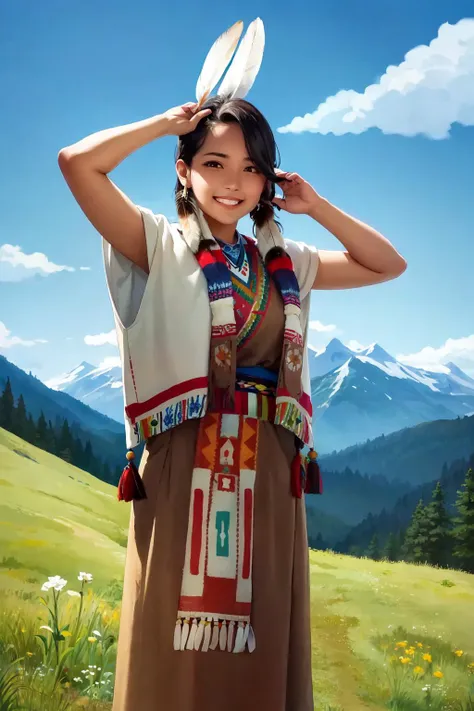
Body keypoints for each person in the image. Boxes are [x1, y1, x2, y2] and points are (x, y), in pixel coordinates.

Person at [58, 92, 406, 711]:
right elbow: (77, 163)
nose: (234, 182)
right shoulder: (156, 246)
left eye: (251, 168)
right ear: (183, 169)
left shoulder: (287, 263)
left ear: (267, 179)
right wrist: (166, 123)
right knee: (174, 639)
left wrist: (316, 205)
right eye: (214, 163)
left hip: (270, 467)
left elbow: (386, 265)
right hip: (182, 464)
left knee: (263, 627)